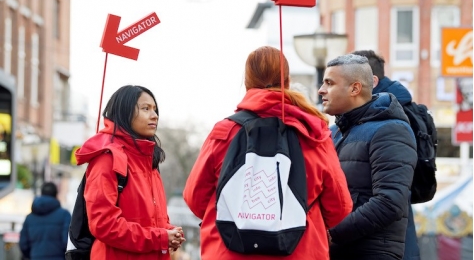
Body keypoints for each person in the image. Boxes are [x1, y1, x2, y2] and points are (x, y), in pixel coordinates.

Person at [183, 46, 353, 260]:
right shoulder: (313, 134)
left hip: (228, 251)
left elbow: (194, 197)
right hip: (301, 251)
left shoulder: (224, 132)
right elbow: (339, 207)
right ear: (288, 81)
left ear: (247, 83)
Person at [318, 54, 418, 260]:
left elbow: (389, 202)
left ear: (355, 88)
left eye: (329, 83)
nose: (321, 90)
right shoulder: (334, 132)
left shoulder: (391, 130)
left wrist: (331, 234)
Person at [74, 85, 185, 259]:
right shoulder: (107, 158)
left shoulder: (150, 161)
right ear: (124, 112)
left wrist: (169, 231)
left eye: (155, 109)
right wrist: (160, 237)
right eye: (145, 108)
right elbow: (104, 225)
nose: (154, 115)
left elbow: (150, 219)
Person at [352, 49, 420, 260]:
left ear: (372, 80)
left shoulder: (389, 121)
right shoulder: (369, 116)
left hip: (383, 241)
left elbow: (389, 200)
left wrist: (335, 232)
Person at [19, 181, 72, 260]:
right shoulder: (65, 215)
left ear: (41, 193)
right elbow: (67, 243)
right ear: (56, 195)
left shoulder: (29, 218)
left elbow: (23, 244)